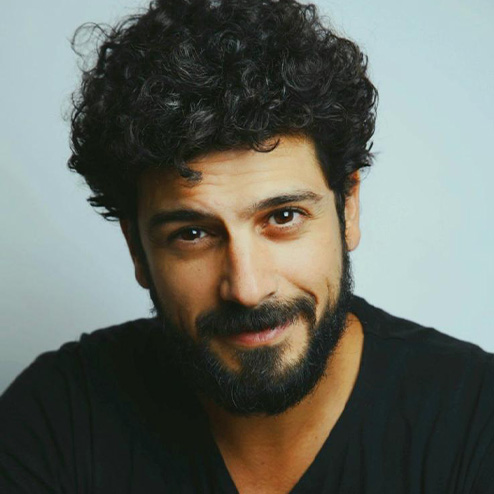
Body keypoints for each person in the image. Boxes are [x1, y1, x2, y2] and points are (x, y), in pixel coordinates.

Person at [1, 0, 493, 492]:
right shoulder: (56, 419)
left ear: (348, 210)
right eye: (192, 234)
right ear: (137, 249)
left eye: (283, 217)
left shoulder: (475, 418)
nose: (248, 289)